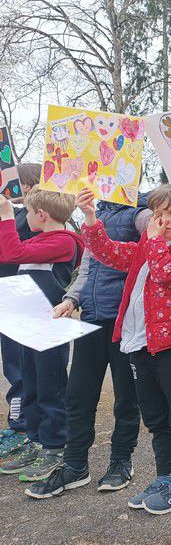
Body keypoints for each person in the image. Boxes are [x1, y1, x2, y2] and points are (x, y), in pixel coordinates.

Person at [77, 184, 171, 515]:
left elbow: (167, 273)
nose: (162, 221)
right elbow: (107, 252)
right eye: (158, 214)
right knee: (156, 417)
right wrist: (91, 217)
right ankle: (165, 477)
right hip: (139, 342)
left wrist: (153, 239)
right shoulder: (148, 247)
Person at [25, 190, 152, 498]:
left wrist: (155, 218)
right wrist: (72, 298)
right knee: (78, 396)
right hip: (92, 318)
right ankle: (74, 465)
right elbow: (88, 268)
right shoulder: (97, 215)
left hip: (125, 323)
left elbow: (154, 243)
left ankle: (121, 461)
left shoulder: (139, 214)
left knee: (126, 398)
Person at [0, 186, 83, 481]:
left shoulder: (64, 242)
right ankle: (35, 441)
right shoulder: (40, 239)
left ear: (42, 215)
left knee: (51, 387)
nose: (24, 217)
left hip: (49, 327)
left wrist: (8, 215)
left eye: (28, 213)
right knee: (31, 385)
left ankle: (54, 446)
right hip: (28, 325)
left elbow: (11, 252)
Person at [0, 163, 42, 461]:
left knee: (22, 368)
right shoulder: (13, 216)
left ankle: (25, 427)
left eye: (18, 183)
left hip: (24, 302)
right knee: (12, 365)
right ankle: (18, 422)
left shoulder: (31, 219)